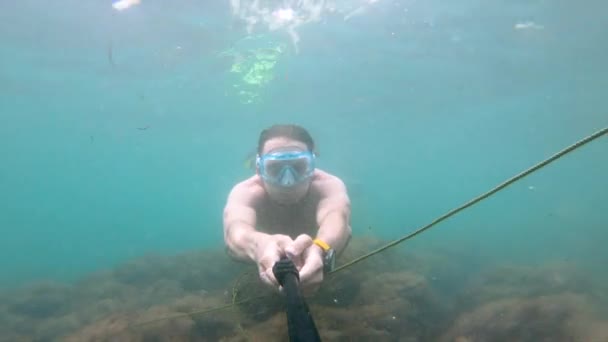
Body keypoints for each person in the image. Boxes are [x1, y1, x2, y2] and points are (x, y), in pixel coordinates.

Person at [223, 124, 352, 295]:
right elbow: (235, 230)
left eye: (298, 167)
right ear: (258, 169)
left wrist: (320, 247)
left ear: (312, 167)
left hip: (315, 248)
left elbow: (336, 217)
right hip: (261, 255)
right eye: (275, 168)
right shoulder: (246, 192)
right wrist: (259, 244)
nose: (288, 181)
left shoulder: (328, 185)